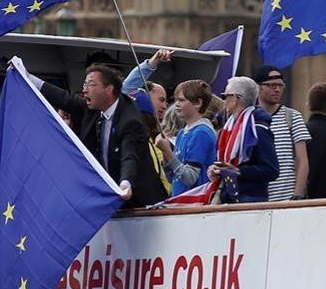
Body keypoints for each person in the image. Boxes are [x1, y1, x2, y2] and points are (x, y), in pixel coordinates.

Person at [36, 64, 167, 206]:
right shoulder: (93, 108)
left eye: (91, 85)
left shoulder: (130, 119)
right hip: (109, 199)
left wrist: (125, 182)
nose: (85, 90)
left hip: (142, 202)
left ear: (108, 89)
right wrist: (27, 76)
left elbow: (129, 156)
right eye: (84, 84)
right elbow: (63, 98)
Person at [209, 76, 280, 203]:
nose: (223, 101)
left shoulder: (258, 129)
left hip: (251, 199)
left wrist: (238, 171)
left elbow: (271, 170)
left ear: (235, 98)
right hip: (230, 196)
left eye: (225, 96)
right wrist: (218, 170)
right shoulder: (228, 127)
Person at [253, 65, 311, 201]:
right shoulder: (249, 118)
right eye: (272, 85)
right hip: (257, 199)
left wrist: (297, 195)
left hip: (287, 199)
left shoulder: (292, 116)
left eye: (280, 85)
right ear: (258, 87)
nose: (277, 89)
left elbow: (302, 159)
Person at [157, 79, 217, 197]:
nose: (176, 105)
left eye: (182, 100)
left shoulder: (201, 133)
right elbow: (172, 178)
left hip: (195, 200)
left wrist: (168, 152)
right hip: (179, 198)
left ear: (198, 103)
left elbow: (190, 178)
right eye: (175, 100)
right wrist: (165, 154)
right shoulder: (182, 133)